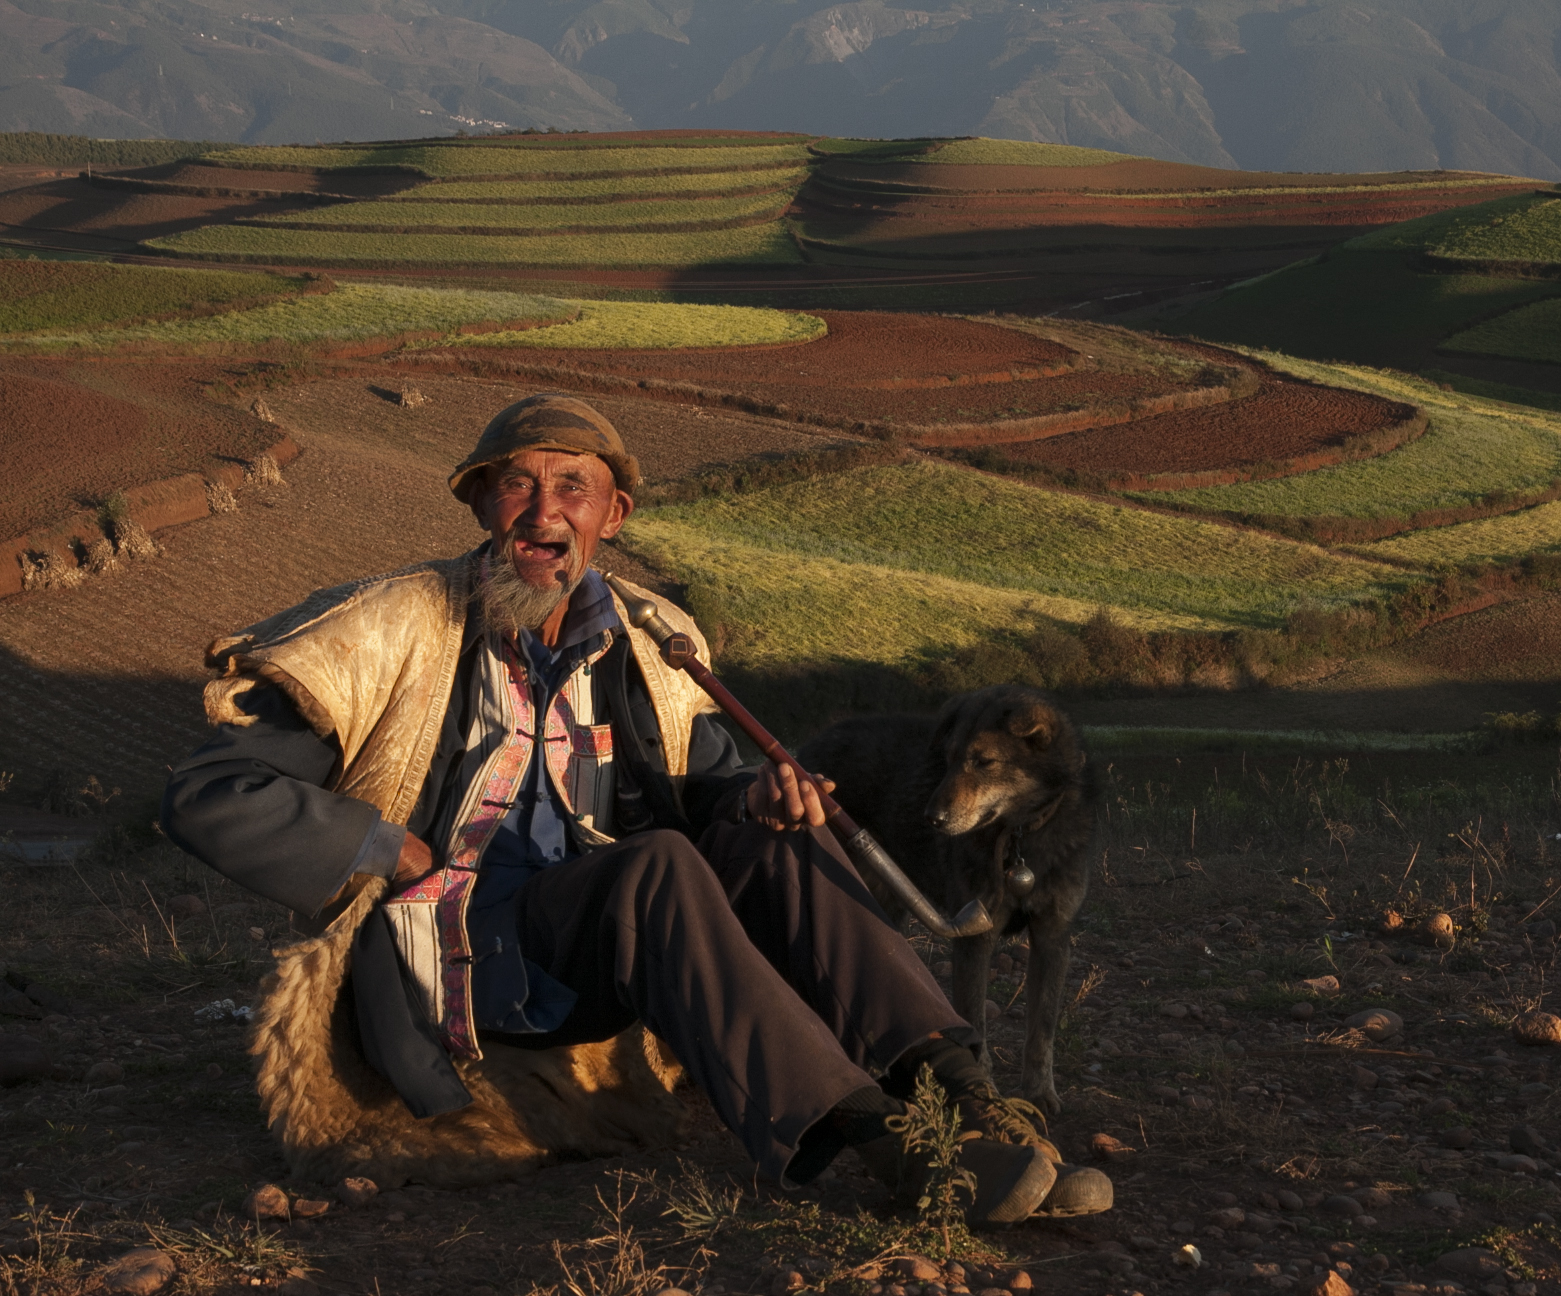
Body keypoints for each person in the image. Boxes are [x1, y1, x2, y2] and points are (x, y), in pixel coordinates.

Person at [161, 393, 1111, 1224]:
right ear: (483, 505)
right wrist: (387, 847)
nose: (544, 513)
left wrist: (764, 799)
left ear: (610, 516)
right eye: (517, 487)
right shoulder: (393, 628)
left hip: (604, 946)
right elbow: (209, 796)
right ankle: (895, 1154)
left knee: (781, 833)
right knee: (655, 867)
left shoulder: (653, 644)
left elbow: (708, 797)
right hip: (454, 956)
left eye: (572, 488)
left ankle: (972, 1098)